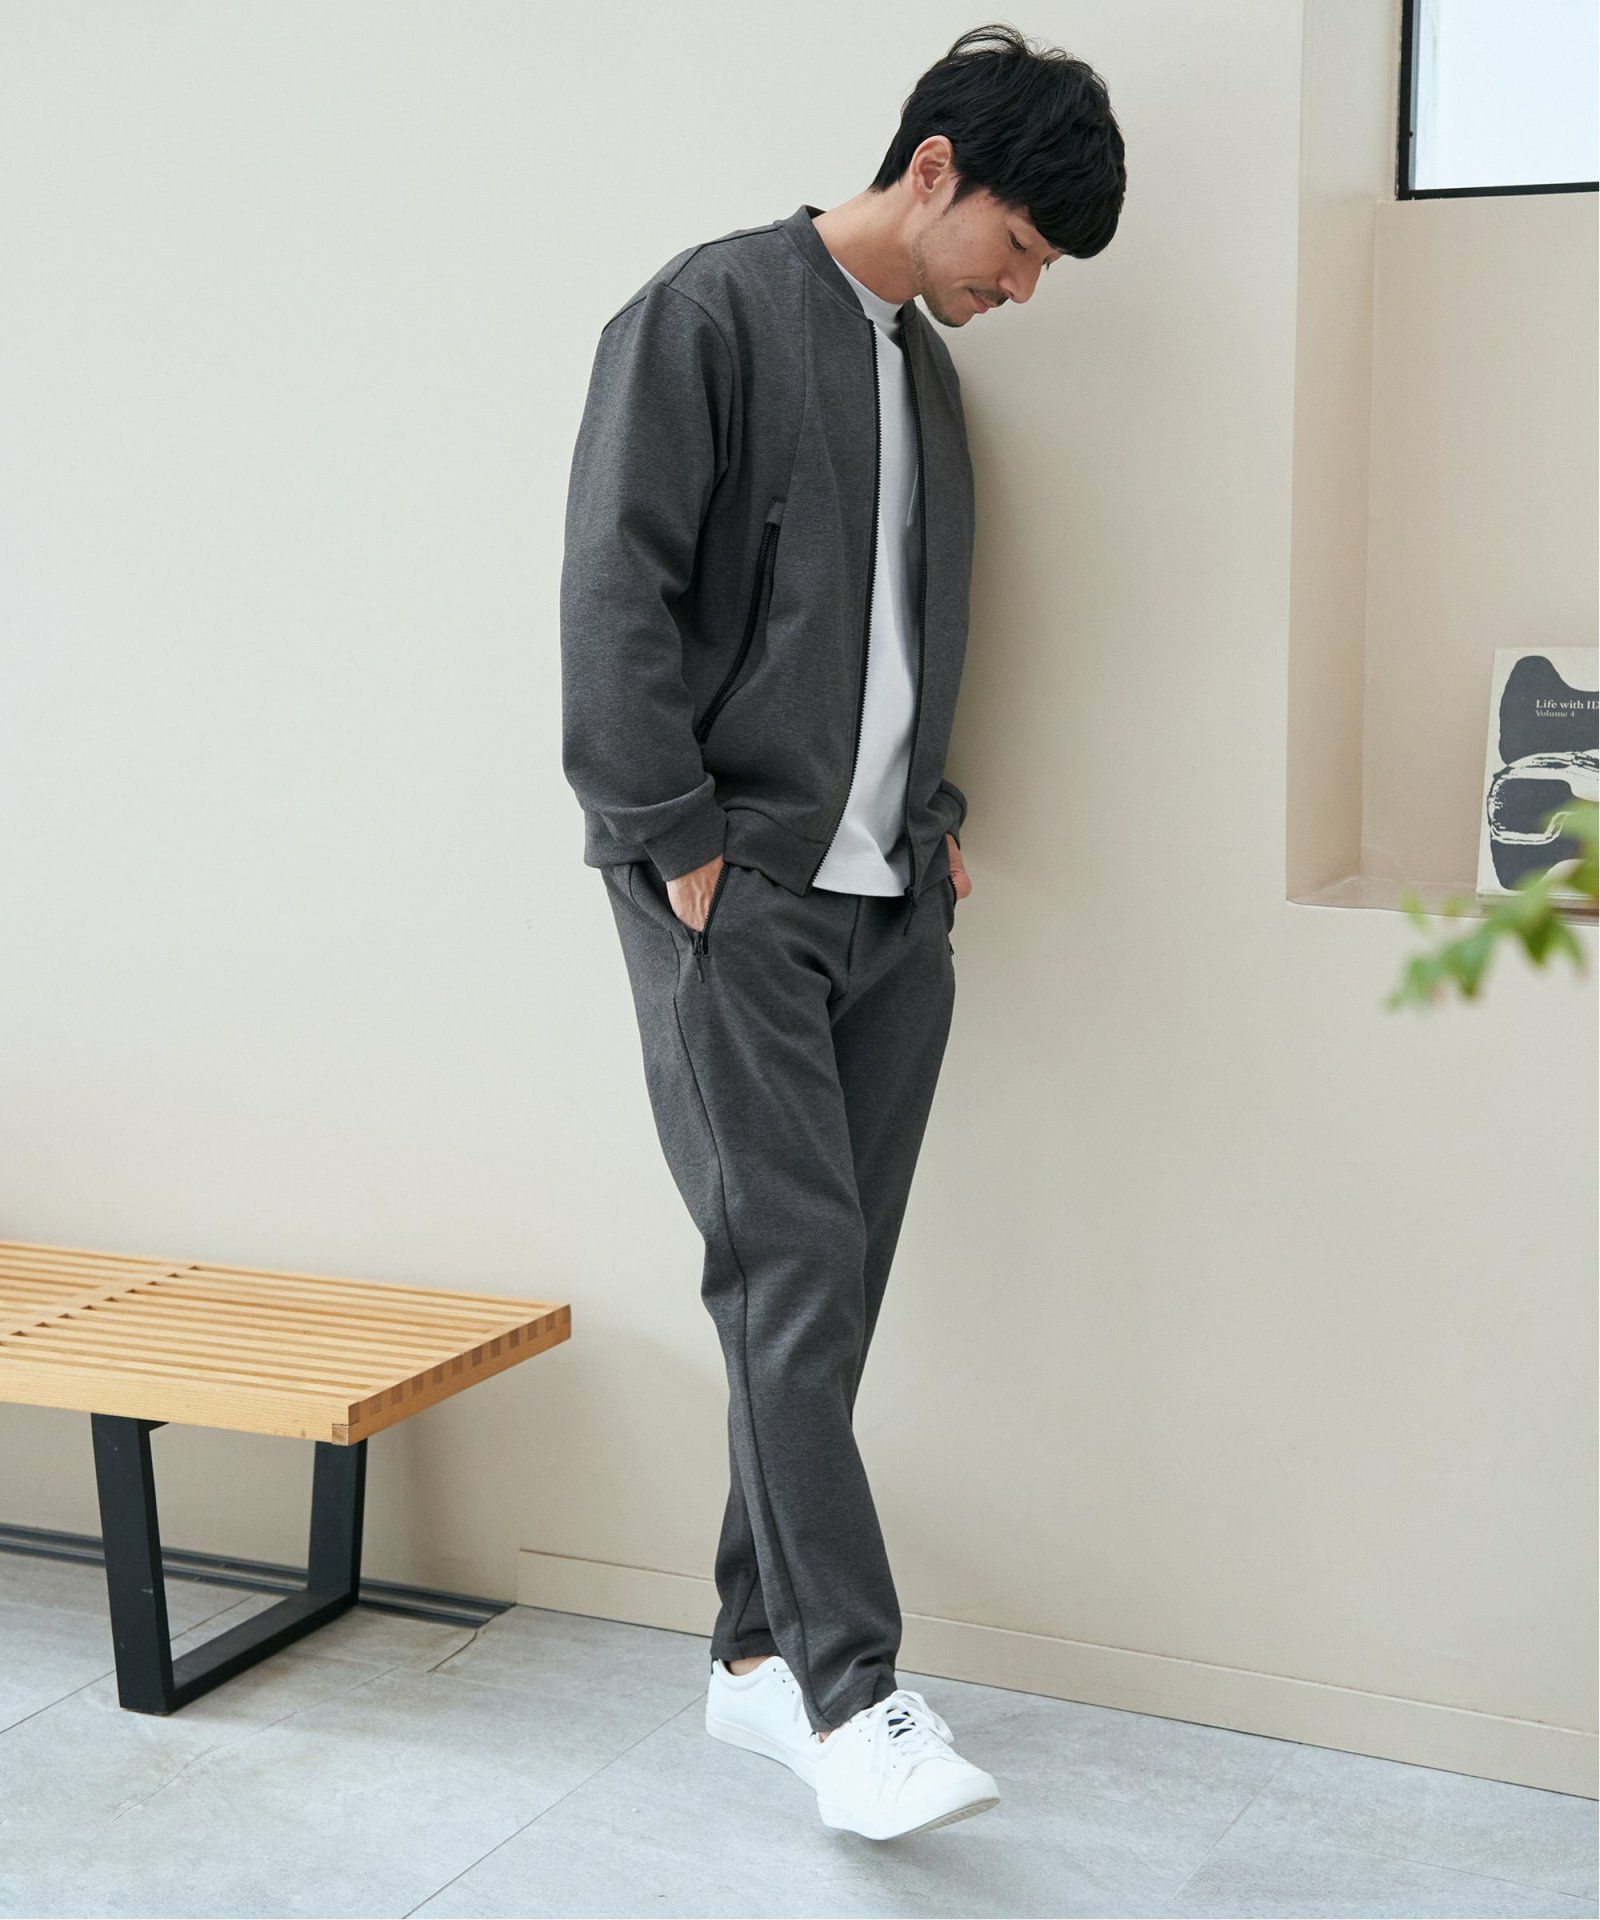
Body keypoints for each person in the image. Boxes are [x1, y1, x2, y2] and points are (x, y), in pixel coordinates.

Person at [559, 21, 1124, 1842]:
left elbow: (894, 638)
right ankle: (848, 1697)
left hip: (891, 911)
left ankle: (749, 1653)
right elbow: (614, 593)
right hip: (736, 896)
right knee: (790, 1277)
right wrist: (675, 846)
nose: (1022, 292)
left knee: (826, 1293)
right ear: (935, 168)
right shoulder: (706, 313)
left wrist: (929, 834)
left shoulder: (922, 372)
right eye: (1020, 247)